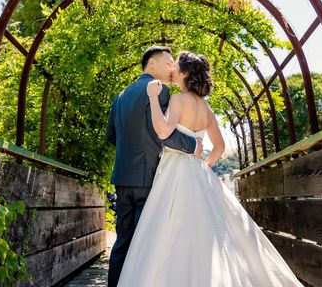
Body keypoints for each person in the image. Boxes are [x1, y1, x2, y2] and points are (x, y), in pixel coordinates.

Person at [117, 51, 303, 286]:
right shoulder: (206, 109)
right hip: (197, 172)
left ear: (185, 74)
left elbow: (163, 132)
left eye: (176, 67)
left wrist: (153, 98)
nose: (172, 69)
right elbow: (220, 146)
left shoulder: (177, 99)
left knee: (169, 229)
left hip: (174, 170)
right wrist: (203, 166)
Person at [106, 46, 203, 287]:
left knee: (123, 241)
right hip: (148, 176)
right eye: (168, 62)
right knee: (145, 244)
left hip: (122, 178)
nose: (172, 68)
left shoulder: (120, 95)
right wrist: (192, 144)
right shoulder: (160, 91)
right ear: (152, 64)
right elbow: (164, 133)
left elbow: (111, 136)